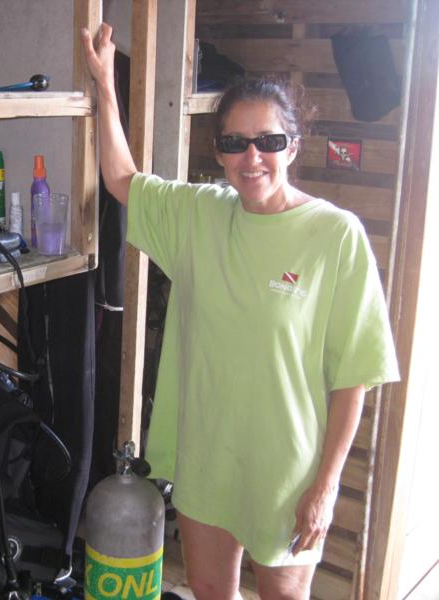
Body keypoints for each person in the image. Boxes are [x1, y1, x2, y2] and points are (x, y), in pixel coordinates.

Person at [82, 23, 400, 600]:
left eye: (268, 142)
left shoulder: (335, 236)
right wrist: (106, 84)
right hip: (208, 457)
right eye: (234, 143)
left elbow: (354, 377)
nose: (252, 157)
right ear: (220, 152)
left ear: (292, 146)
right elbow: (121, 179)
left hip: (288, 471)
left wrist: (325, 488)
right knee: (209, 591)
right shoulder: (199, 215)